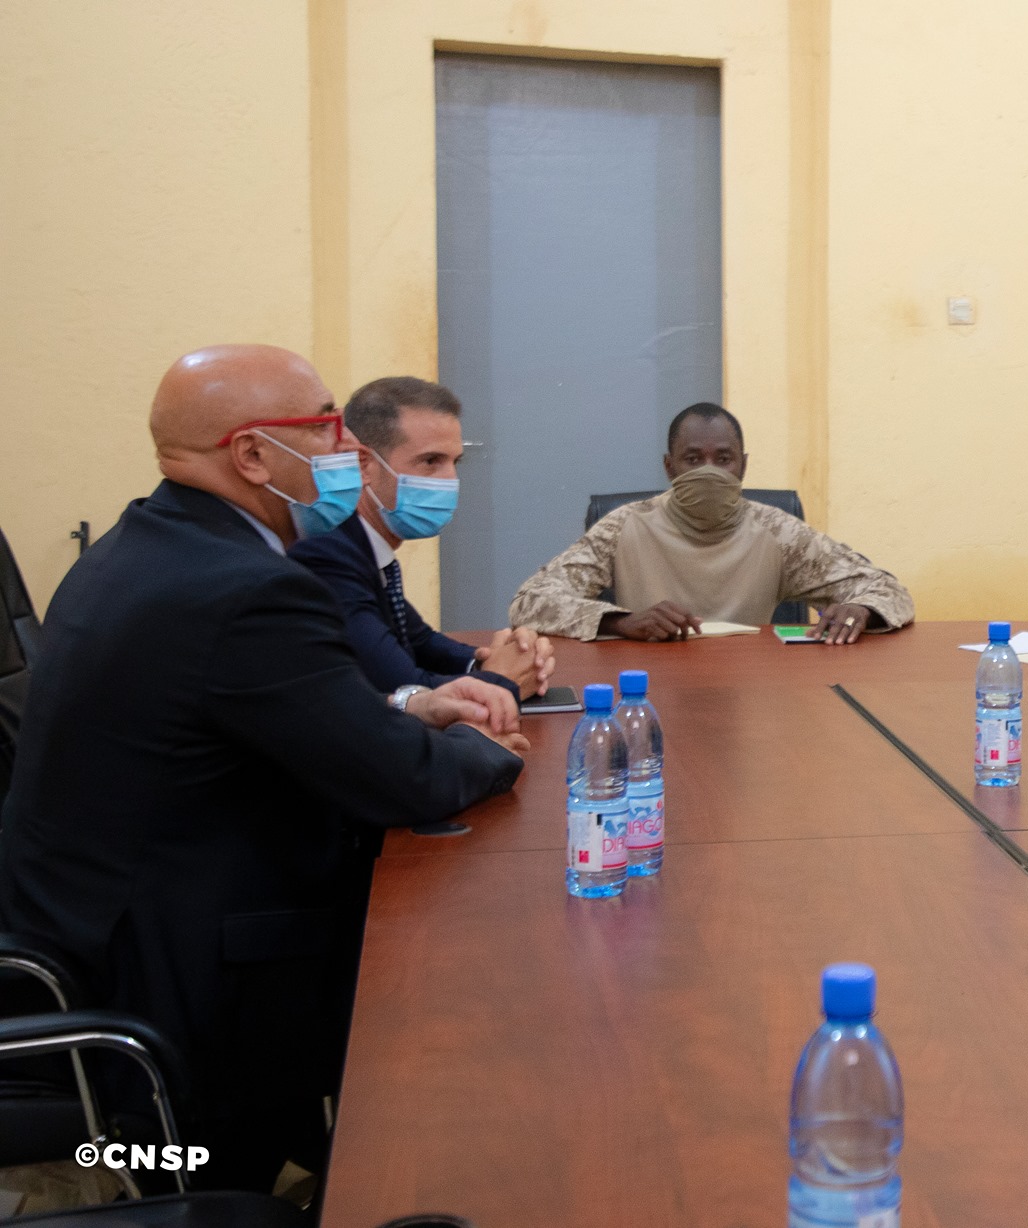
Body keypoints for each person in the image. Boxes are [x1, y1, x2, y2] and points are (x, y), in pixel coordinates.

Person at [0, 345, 528, 1191]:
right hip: (172, 1017)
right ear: (251, 454)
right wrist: (484, 748)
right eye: (324, 427)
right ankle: (345, 1177)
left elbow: (293, 722)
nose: (345, 452)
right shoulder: (244, 588)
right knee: (463, 998)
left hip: (103, 938)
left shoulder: (142, 544)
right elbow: (402, 780)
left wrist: (407, 708)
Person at [510, 402, 914, 643]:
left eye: (723, 459)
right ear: (669, 467)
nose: (709, 471)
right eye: (692, 459)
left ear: (743, 467)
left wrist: (861, 609)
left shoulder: (778, 532)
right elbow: (530, 604)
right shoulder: (625, 526)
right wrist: (621, 621)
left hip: (749, 689)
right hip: (647, 685)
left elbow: (887, 590)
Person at [289, 376, 555, 699]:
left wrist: (491, 658)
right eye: (431, 461)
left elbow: (418, 641)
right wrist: (501, 680)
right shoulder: (328, 550)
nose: (451, 480)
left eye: (455, 462)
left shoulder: (365, 540)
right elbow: (402, 688)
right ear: (364, 465)